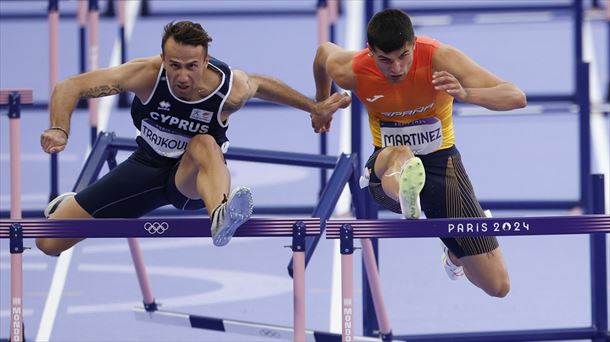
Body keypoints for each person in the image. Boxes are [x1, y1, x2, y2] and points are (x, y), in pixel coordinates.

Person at [37, 20, 350, 255]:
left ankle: (221, 216)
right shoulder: (146, 74)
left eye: (191, 66)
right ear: (163, 59)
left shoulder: (229, 88)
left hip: (191, 179)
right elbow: (70, 86)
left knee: (203, 142)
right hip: (144, 167)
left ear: (205, 60)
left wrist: (314, 107)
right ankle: (71, 204)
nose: (182, 76)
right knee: (48, 243)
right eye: (174, 66)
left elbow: (261, 85)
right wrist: (59, 128)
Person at [312, 9, 526, 297]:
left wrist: (466, 94)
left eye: (403, 56)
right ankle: (407, 196)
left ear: (413, 44)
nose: (396, 68)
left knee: (497, 285)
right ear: (370, 51)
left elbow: (515, 96)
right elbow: (323, 55)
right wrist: (320, 104)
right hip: (386, 164)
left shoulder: (440, 58)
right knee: (401, 155)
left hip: (442, 164)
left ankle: (453, 253)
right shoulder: (354, 68)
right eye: (385, 60)